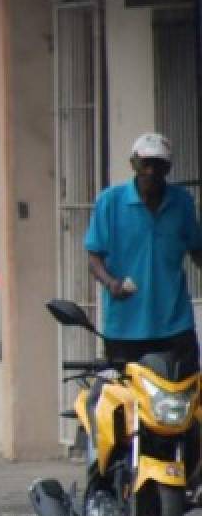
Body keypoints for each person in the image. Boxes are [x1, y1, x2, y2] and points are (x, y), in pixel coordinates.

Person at [85, 132, 202, 371]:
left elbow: (196, 250)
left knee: (184, 399)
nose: (150, 171)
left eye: (158, 165)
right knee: (128, 404)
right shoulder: (110, 202)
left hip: (175, 327)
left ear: (167, 168)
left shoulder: (182, 203)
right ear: (133, 164)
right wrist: (111, 283)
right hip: (125, 329)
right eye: (145, 163)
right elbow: (94, 258)